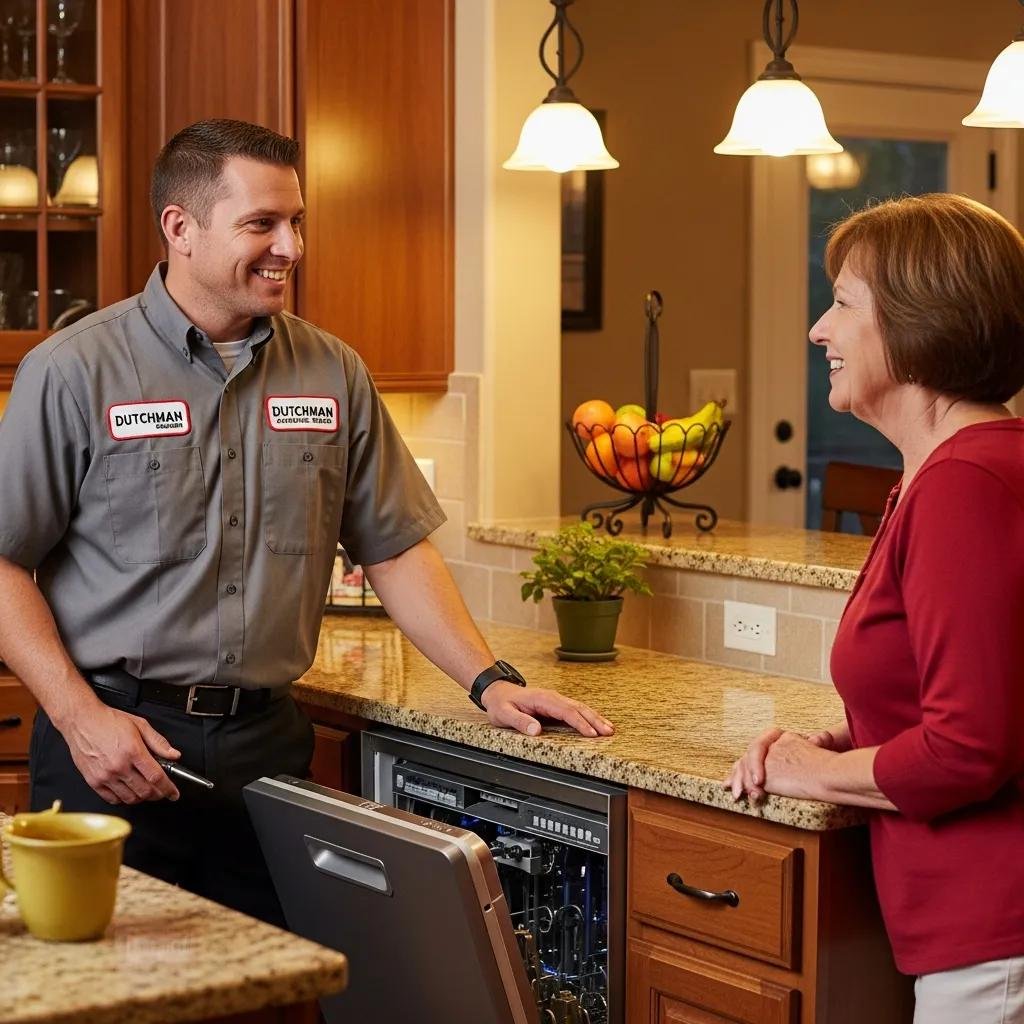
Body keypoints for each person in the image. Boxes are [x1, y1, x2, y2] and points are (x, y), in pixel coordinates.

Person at [0, 118, 613, 927]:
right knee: (105, 986)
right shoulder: (74, 370)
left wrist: (489, 681)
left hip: (268, 755)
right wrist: (80, 718)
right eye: (262, 224)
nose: (290, 247)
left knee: (285, 983)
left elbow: (395, 546)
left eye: (297, 222)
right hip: (115, 748)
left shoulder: (332, 371)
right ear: (180, 228)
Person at [726, 193, 1024, 1023]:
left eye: (843, 304)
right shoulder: (944, 472)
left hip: (995, 940)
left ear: (921, 322)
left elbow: (969, 749)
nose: (818, 329)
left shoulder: (965, 484)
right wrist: (854, 740)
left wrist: (810, 770)